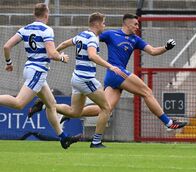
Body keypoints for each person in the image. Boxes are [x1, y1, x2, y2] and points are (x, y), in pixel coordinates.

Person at [29, 13, 187, 145]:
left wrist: (166, 48)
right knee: (146, 91)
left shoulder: (135, 40)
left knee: (103, 110)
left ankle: (49, 107)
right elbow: (92, 38)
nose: (137, 27)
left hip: (114, 77)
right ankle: (168, 122)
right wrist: (56, 53)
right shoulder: (111, 34)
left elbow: (152, 51)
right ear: (127, 24)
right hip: (117, 73)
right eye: (135, 24)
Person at [2, 3, 80, 149]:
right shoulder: (47, 30)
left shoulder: (25, 29)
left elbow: (7, 46)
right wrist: (62, 57)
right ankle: (63, 137)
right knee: (19, 103)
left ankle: (63, 138)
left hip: (31, 69)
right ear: (46, 14)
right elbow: (51, 53)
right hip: (37, 71)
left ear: (34, 14)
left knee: (51, 104)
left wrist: (9, 62)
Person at [47, 12, 127, 148]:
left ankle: (48, 105)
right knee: (106, 108)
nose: (104, 26)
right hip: (86, 79)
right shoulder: (92, 38)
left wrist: (54, 53)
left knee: (75, 112)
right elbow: (92, 56)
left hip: (76, 78)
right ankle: (96, 141)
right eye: (103, 23)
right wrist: (111, 66)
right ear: (96, 24)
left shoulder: (82, 35)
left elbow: (66, 43)